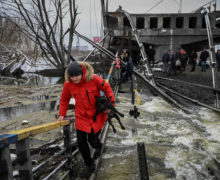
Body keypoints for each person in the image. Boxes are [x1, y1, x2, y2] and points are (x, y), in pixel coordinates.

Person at [58, 61, 115, 178]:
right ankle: (89, 164)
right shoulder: (68, 84)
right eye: (72, 76)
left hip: (96, 116)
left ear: (82, 73)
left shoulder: (94, 79)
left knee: (93, 141)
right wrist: (62, 114)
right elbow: (64, 99)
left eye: (76, 75)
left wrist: (110, 104)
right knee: (81, 142)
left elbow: (107, 88)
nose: (74, 78)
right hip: (81, 117)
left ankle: (98, 146)